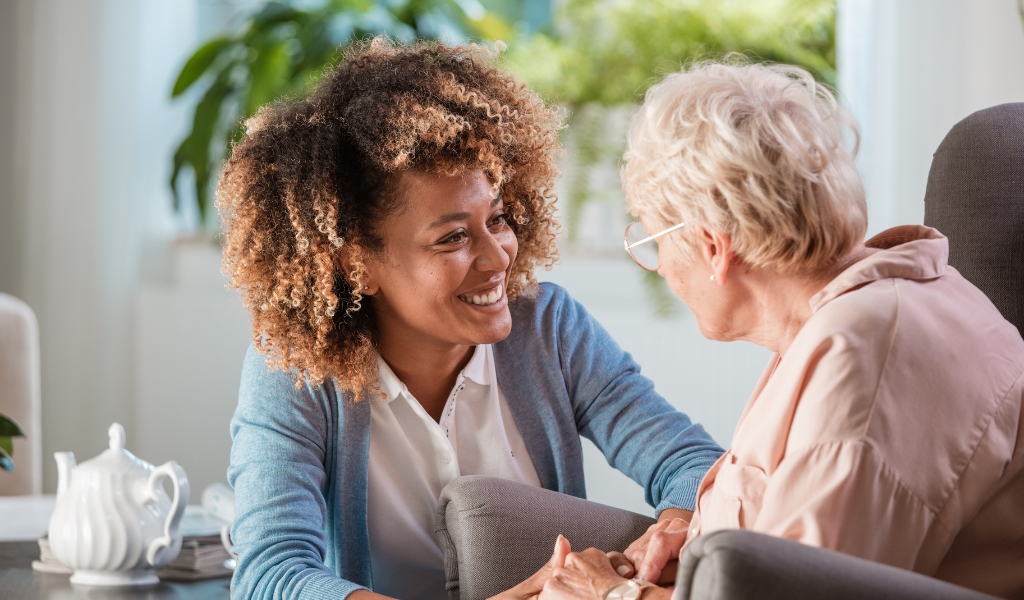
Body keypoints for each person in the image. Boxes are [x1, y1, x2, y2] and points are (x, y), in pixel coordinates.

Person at [219, 38, 724, 600]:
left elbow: (691, 462)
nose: (499, 255)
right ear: (357, 264)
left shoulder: (550, 329)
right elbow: (270, 575)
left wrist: (670, 533)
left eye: (499, 218)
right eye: (454, 237)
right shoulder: (294, 373)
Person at [537, 59, 1024, 600]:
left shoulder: (863, 361)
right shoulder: (852, 316)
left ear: (712, 245)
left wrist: (610, 595)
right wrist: (700, 545)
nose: (662, 267)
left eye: (653, 241)